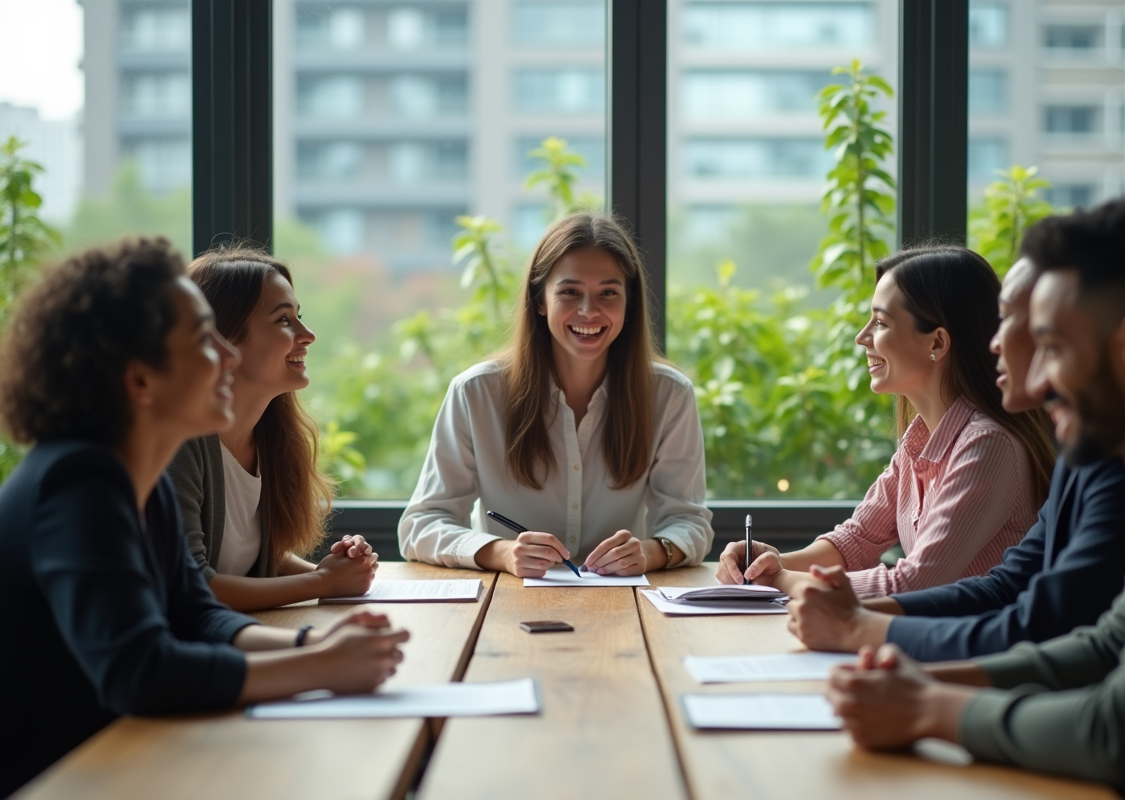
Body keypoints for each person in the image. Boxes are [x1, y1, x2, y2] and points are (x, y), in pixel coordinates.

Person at [0, 239, 410, 798]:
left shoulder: (138, 480)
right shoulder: (79, 482)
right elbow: (140, 671)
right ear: (141, 379)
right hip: (61, 776)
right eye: (204, 338)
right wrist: (319, 668)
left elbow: (196, 615)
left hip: (121, 759)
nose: (230, 354)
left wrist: (316, 643)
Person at [826, 196, 1125, 800]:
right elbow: (1103, 642)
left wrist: (930, 707)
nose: (1025, 364)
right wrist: (919, 684)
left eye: (1050, 345)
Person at [785, 259, 1125, 660]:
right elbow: (1003, 587)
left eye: (1044, 339)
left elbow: (929, 587)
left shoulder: (996, 444)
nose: (994, 343)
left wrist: (807, 594)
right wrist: (781, 572)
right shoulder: (1080, 460)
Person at [717, 247, 1056, 598]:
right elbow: (856, 540)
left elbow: (915, 583)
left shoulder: (988, 445)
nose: (861, 337)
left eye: (880, 323)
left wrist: (780, 580)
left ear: (937, 342)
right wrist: (768, 563)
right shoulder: (920, 441)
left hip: (973, 648)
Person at [399, 212, 713, 577]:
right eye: (570, 292)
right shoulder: (476, 393)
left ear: (628, 303)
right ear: (540, 300)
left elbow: (690, 523)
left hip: (626, 606)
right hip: (506, 606)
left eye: (608, 293)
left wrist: (650, 552)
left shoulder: (670, 396)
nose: (589, 310)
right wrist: (501, 553)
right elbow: (420, 526)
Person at [167, 247, 377, 612]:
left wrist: (336, 572)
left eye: (299, 316)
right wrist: (323, 582)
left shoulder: (269, 437)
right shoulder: (178, 443)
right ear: (220, 336)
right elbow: (191, 584)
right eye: (284, 320)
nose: (307, 334)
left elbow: (256, 561)